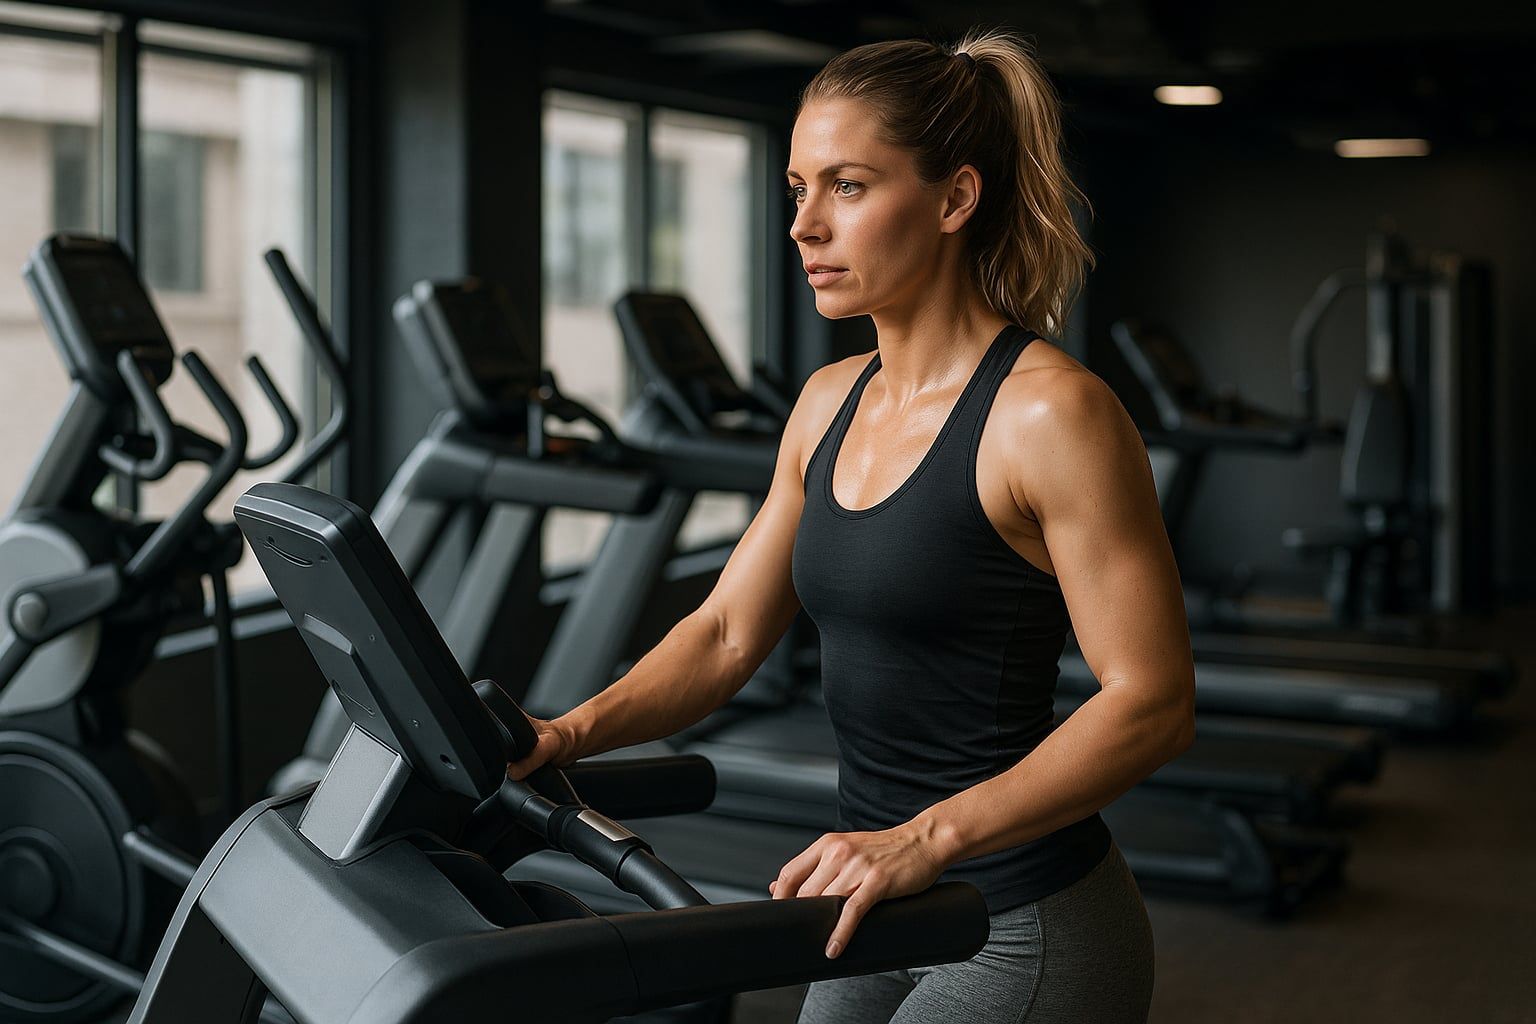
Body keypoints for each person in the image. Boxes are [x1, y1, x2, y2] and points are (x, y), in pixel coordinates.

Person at [510, 28, 1196, 1024]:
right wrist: (568, 732)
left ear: (955, 198)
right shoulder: (828, 400)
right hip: (869, 904)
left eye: (848, 186)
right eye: (797, 189)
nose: (803, 226)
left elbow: (1152, 702)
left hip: (1022, 921)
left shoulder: (1050, 416)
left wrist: (925, 837)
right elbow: (726, 633)